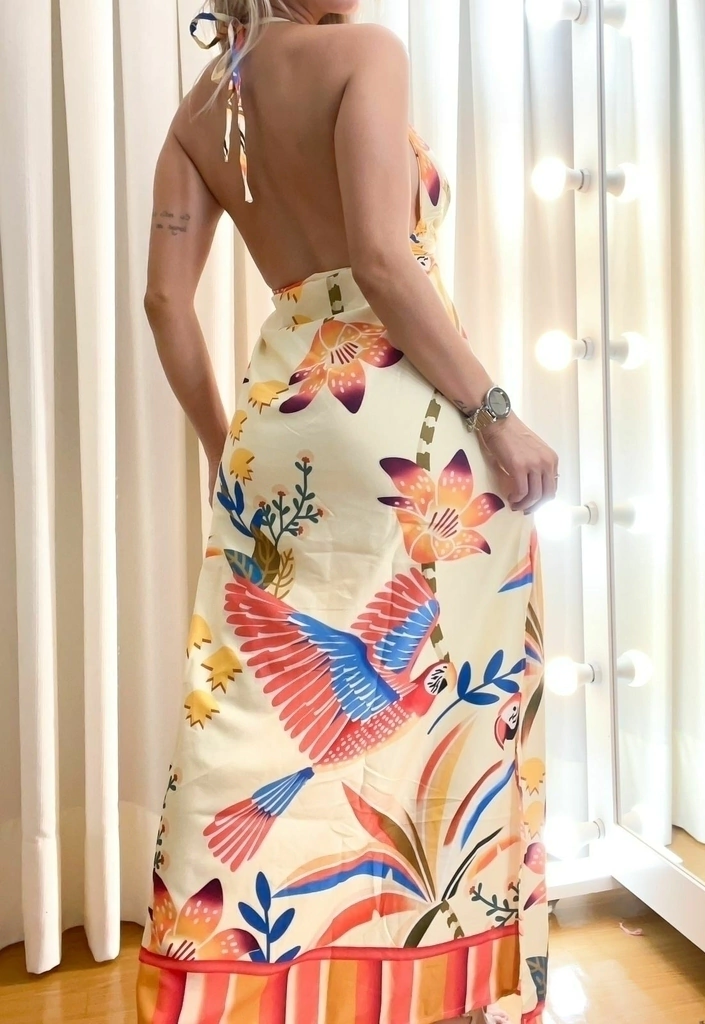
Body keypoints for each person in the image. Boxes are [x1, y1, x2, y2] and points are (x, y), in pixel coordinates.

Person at [136, 2, 555, 1022]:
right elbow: (380, 257)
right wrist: (496, 414)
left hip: (280, 419)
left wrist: (222, 448)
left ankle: (226, 980)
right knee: (457, 698)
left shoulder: (201, 108)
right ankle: (438, 974)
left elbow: (164, 303)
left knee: (252, 721)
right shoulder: (363, 54)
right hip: (400, 419)